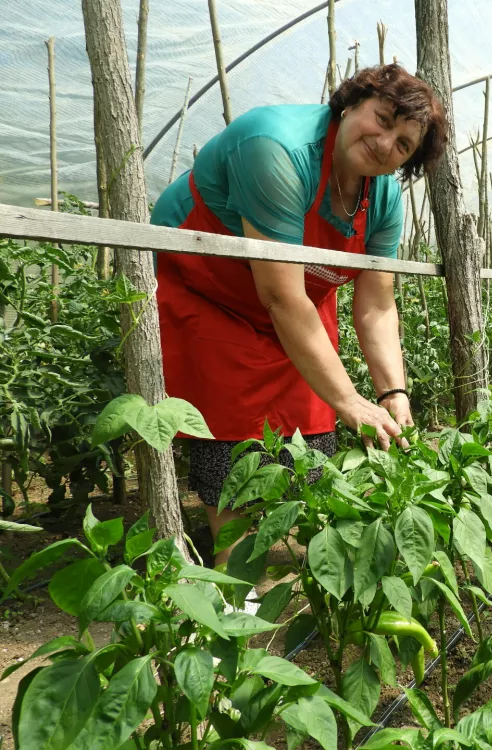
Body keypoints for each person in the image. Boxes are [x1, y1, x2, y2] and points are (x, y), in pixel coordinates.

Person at [152, 64, 447, 568]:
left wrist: (392, 394)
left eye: (402, 145)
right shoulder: (278, 149)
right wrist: (350, 399)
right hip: (211, 292)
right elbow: (281, 298)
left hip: (298, 301)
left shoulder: (383, 197)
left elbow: (376, 304)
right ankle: (233, 584)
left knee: (311, 437)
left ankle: (299, 567)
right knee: (230, 443)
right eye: (382, 119)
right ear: (351, 103)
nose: (384, 144)